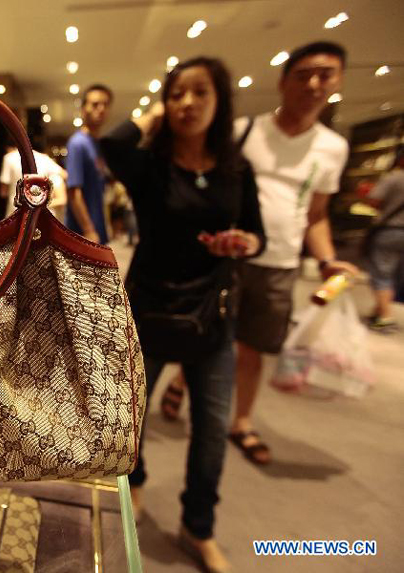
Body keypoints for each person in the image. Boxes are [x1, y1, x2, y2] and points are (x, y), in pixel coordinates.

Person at [100, 57, 266, 573]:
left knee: (213, 428)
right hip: (149, 308)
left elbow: (259, 233)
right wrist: (151, 115)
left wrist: (244, 242)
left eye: (200, 93)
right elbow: (111, 146)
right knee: (133, 416)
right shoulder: (151, 166)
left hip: (212, 312)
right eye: (178, 94)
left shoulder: (237, 170)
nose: (188, 103)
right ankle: (138, 481)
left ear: (220, 102)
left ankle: (198, 527)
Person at [159, 42, 359, 465]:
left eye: (326, 74)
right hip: (225, 260)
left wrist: (325, 260)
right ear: (284, 80)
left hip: (281, 259)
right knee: (212, 337)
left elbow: (317, 214)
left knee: (253, 348)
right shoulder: (245, 132)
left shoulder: (332, 148)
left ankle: (242, 422)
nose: (314, 83)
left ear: (339, 80)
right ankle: (185, 378)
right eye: (304, 73)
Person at [66, 84, 112, 244]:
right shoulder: (78, 143)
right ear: (84, 108)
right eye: (95, 104)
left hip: (97, 226)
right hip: (82, 233)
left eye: (105, 105)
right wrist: (89, 230)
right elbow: (74, 191)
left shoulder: (97, 144)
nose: (101, 109)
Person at [365, 150, 404, 331]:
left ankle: (384, 316)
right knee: (395, 273)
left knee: (382, 272)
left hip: (390, 231)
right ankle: (379, 308)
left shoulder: (394, 177)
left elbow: (373, 199)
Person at [0, 144, 67, 220]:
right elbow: (64, 174)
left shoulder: (9, 158)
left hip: (16, 210)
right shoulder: (44, 158)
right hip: (39, 213)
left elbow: (3, 192)